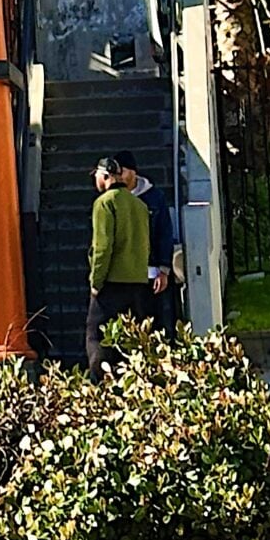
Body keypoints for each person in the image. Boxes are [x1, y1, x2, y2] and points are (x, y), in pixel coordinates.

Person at [85, 154, 151, 377]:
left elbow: (102, 247)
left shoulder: (105, 203)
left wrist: (96, 282)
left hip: (112, 283)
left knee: (96, 336)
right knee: (131, 341)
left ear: (105, 176)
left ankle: (100, 384)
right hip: (138, 282)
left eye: (96, 176)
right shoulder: (139, 205)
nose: (95, 180)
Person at [118, 153, 178, 332]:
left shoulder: (154, 197)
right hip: (123, 275)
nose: (119, 177)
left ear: (133, 172)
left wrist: (164, 270)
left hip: (150, 273)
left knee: (154, 323)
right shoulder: (114, 198)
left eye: (122, 171)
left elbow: (164, 233)